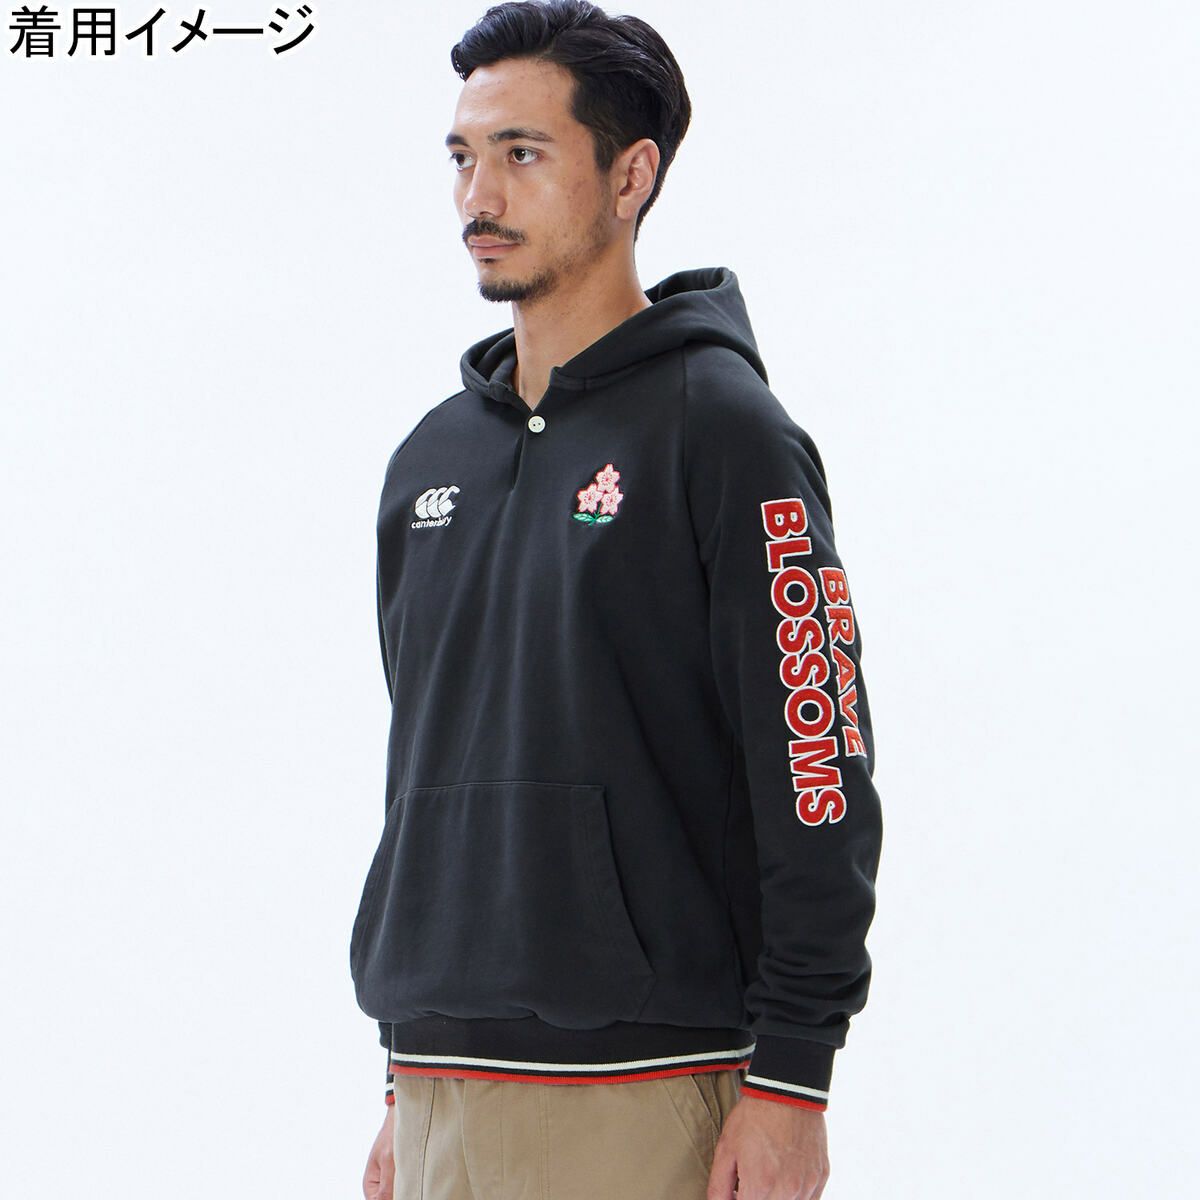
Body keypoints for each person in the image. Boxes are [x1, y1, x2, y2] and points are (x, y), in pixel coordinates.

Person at [352, 3, 884, 1197]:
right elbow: (424, 762)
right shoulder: (430, 460)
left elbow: (815, 755)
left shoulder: (724, 431)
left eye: (522, 153)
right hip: (439, 1077)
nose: (479, 194)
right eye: (463, 156)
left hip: (640, 1085)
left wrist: (793, 1079)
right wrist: (401, 1074)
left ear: (631, 174)